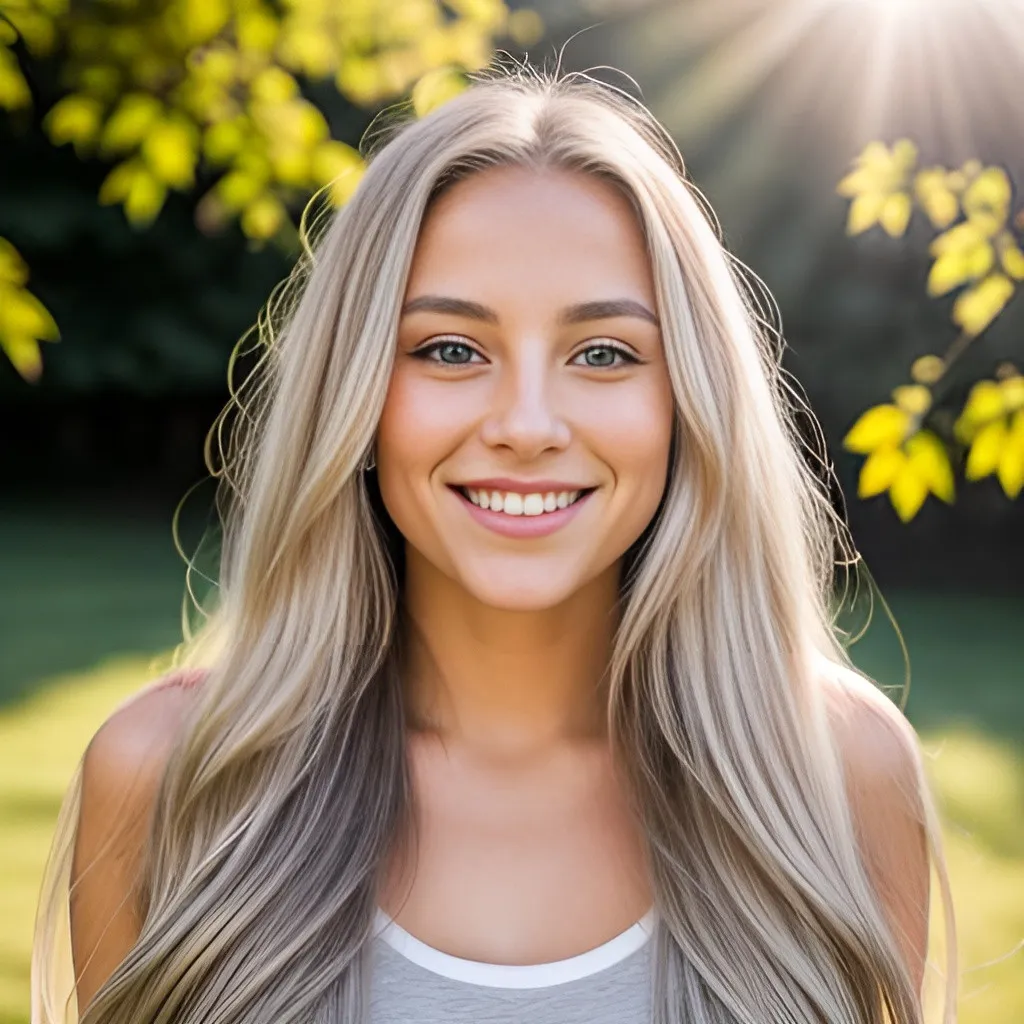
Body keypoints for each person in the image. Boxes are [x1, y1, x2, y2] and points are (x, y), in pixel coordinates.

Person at [31, 64, 956, 1024]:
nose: (526, 423)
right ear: (354, 396)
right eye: (449, 349)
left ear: (689, 401)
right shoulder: (169, 777)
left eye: (603, 354)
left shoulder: (837, 776)